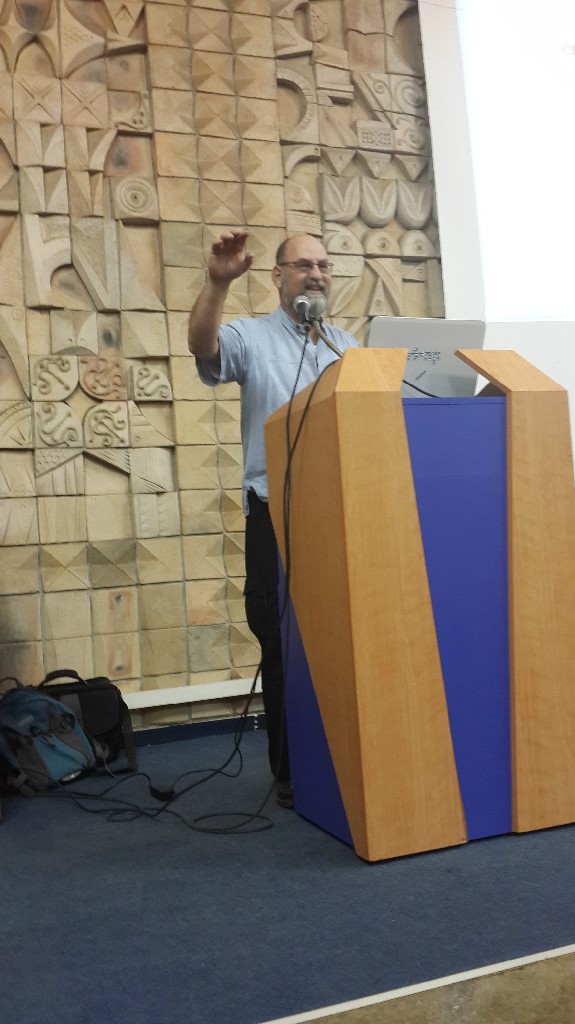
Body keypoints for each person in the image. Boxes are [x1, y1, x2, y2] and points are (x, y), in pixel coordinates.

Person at [188, 230, 359, 808]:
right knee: (283, 641)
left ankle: (347, 758)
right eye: (304, 264)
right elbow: (202, 346)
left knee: (343, 638)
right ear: (277, 275)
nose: (317, 274)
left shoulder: (345, 346)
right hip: (276, 512)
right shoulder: (251, 337)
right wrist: (217, 284)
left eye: (324, 265)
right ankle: (292, 770)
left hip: (342, 512)